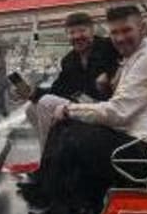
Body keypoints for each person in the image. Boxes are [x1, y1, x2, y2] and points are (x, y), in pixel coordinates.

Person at [30, 5, 147, 214]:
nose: (120, 38)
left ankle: (64, 204)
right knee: (68, 128)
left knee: (71, 132)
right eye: (115, 33)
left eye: (126, 31)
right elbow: (117, 107)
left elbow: (117, 113)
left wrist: (70, 109)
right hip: (133, 137)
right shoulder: (133, 57)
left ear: (142, 28)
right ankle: (69, 206)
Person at [22, 12, 120, 151]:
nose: (77, 36)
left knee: (46, 102)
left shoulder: (109, 46)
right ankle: (50, 152)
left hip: (107, 107)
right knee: (31, 108)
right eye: (72, 33)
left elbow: (124, 63)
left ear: (92, 30)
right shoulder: (69, 60)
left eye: (82, 31)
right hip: (82, 104)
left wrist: (109, 75)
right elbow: (59, 89)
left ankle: (49, 162)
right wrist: (34, 93)